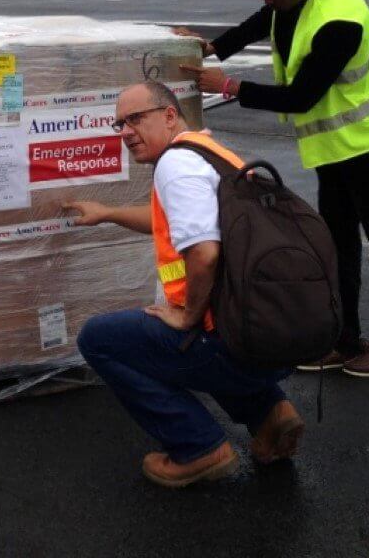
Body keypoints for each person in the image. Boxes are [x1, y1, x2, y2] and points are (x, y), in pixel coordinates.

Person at [177, 0, 369, 378]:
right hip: (335, 148)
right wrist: (215, 47)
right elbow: (268, 17)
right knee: (337, 247)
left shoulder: (337, 21)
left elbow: (302, 96)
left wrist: (228, 85)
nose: (268, 0)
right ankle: (342, 341)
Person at [65, 80, 304, 487]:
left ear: (170, 115)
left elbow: (204, 253)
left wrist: (187, 316)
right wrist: (107, 213)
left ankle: (197, 447)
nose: (125, 132)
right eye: (119, 123)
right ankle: (270, 414)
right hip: (266, 334)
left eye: (135, 119)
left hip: (230, 342)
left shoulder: (175, 167)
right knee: (193, 334)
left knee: (99, 340)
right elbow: (171, 222)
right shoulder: (207, 152)